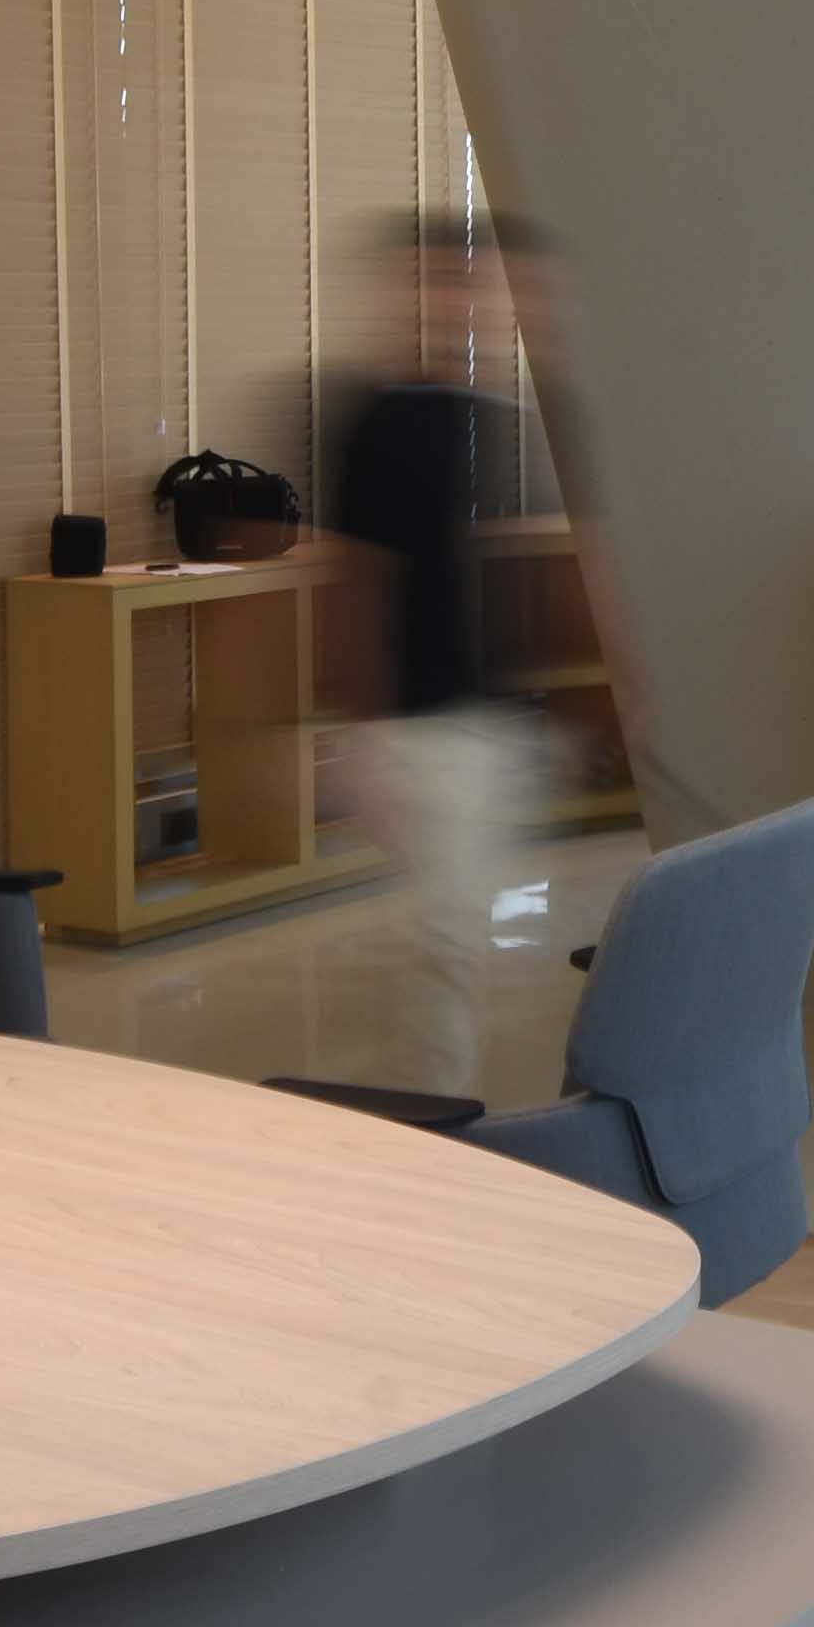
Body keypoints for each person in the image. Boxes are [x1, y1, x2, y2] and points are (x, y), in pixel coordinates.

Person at [321, 209, 566, 1096]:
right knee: (449, 944)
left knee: (452, 939)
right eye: (437, 281)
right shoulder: (372, 421)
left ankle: (436, 1096)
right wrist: (364, 733)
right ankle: (438, 1112)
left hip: (482, 721)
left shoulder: (487, 416)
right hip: (418, 728)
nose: (459, 301)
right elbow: (359, 581)